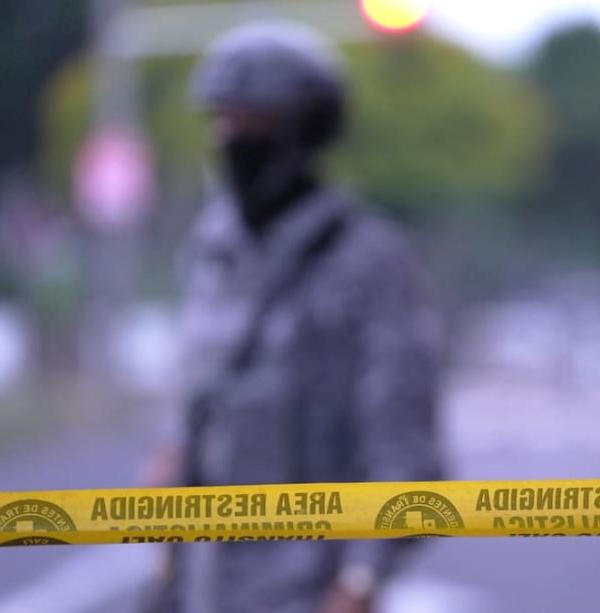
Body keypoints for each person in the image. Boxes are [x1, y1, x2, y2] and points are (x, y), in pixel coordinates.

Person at [143, 21, 444, 613]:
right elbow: (195, 398)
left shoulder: (367, 259)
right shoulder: (214, 250)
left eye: (253, 121)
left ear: (306, 130)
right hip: (203, 584)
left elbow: (400, 438)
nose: (233, 138)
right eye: (224, 121)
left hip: (309, 587)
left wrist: (360, 579)